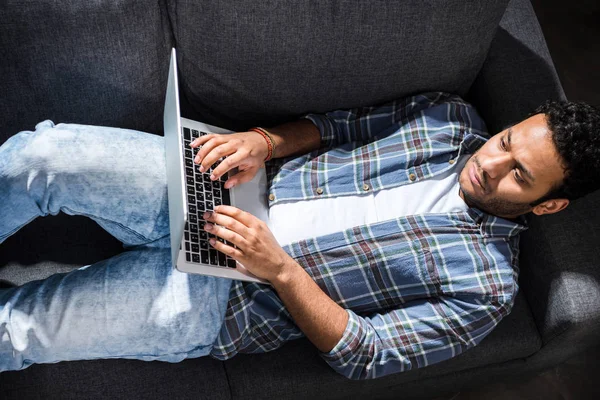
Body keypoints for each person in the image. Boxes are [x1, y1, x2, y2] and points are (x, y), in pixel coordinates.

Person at [0, 93, 599, 379]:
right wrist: (263, 142)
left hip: (226, 302)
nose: (490, 163)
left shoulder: (489, 290)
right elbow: (337, 124)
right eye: (506, 142)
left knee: (25, 330)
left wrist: (280, 269)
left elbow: (369, 354)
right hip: (223, 185)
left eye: (518, 175)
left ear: (548, 206)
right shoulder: (450, 120)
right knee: (44, 154)